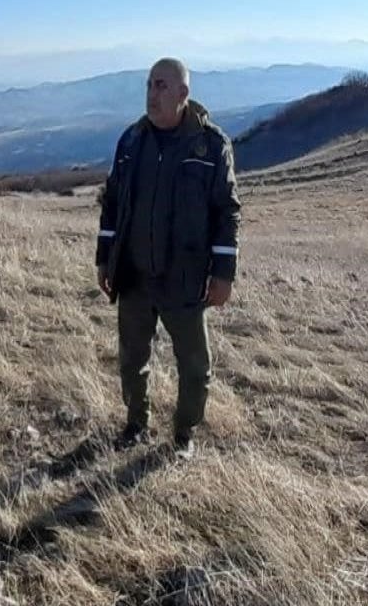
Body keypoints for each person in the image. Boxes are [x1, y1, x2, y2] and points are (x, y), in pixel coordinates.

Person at [95, 58, 241, 459]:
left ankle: (183, 435)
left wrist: (223, 272)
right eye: (148, 85)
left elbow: (226, 211)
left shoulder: (211, 146)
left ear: (183, 94)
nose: (152, 94)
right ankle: (135, 424)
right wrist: (105, 258)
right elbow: (112, 204)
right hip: (135, 275)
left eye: (161, 86)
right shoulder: (130, 142)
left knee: (194, 366)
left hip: (185, 277)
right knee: (131, 360)